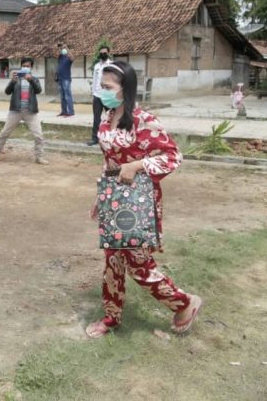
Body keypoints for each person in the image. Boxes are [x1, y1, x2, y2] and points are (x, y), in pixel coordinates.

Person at [85, 60, 202, 339]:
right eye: (101, 87)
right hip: (114, 198)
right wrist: (101, 197)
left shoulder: (144, 120)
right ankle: (111, 317)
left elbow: (173, 156)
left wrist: (137, 166)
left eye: (108, 87)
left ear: (126, 88)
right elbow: (109, 161)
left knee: (138, 265)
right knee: (112, 260)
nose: (102, 92)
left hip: (139, 200)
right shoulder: (106, 116)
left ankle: (185, 303)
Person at [0, 58, 48, 165]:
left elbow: (38, 90)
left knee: (39, 135)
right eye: (24, 65)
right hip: (16, 111)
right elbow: (7, 92)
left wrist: (31, 80)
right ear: (21, 67)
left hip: (30, 112)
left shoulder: (34, 79)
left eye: (28, 66)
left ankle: (39, 157)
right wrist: (12, 81)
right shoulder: (16, 78)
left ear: (31, 67)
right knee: (4, 133)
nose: (25, 67)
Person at [87, 46, 111, 146]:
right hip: (97, 95)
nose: (103, 54)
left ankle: (111, 138)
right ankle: (95, 138)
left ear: (109, 53)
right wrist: (93, 94)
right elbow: (95, 80)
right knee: (96, 118)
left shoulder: (111, 65)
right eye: (101, 53)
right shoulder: (97, 66)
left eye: (105, 53)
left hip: (108, 96)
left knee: (111, 117)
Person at [56, 43, 74, 117]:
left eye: (62, 48)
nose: (62, 49)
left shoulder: (68, 58)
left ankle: (71, 112)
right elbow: (56, 54)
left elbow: (72, 58)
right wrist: (60, 49)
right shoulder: (60, 57)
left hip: (66, 79)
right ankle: (64, 111)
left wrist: (67, 48)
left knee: (68, 96)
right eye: (61, 48)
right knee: (62, 96)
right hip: (60, 79)